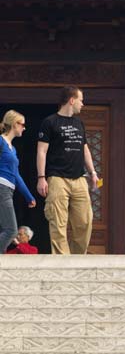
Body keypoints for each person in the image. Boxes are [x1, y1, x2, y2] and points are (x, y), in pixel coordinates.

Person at [36, 86, 98, 254]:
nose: (83, 104)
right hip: (57, 178)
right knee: (58, 222)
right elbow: (42, 151)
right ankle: (62, 261)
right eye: (81, 100)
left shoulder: (79, 123)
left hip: (79, 179)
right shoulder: (49, 122)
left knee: (85, 221)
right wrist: (41, 177)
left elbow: (85, 149)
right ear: (72, 100)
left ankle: (77, 258)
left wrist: (92, 172)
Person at [0, 110, 36, 254]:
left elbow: (16, 175)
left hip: (8, 190)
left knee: (7, 229)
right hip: (1, 187)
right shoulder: (1, 142)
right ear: (14, 124)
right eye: (22, 124)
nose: (24, 127)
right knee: (11, 230)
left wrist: (29, 196)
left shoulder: (12, 149)